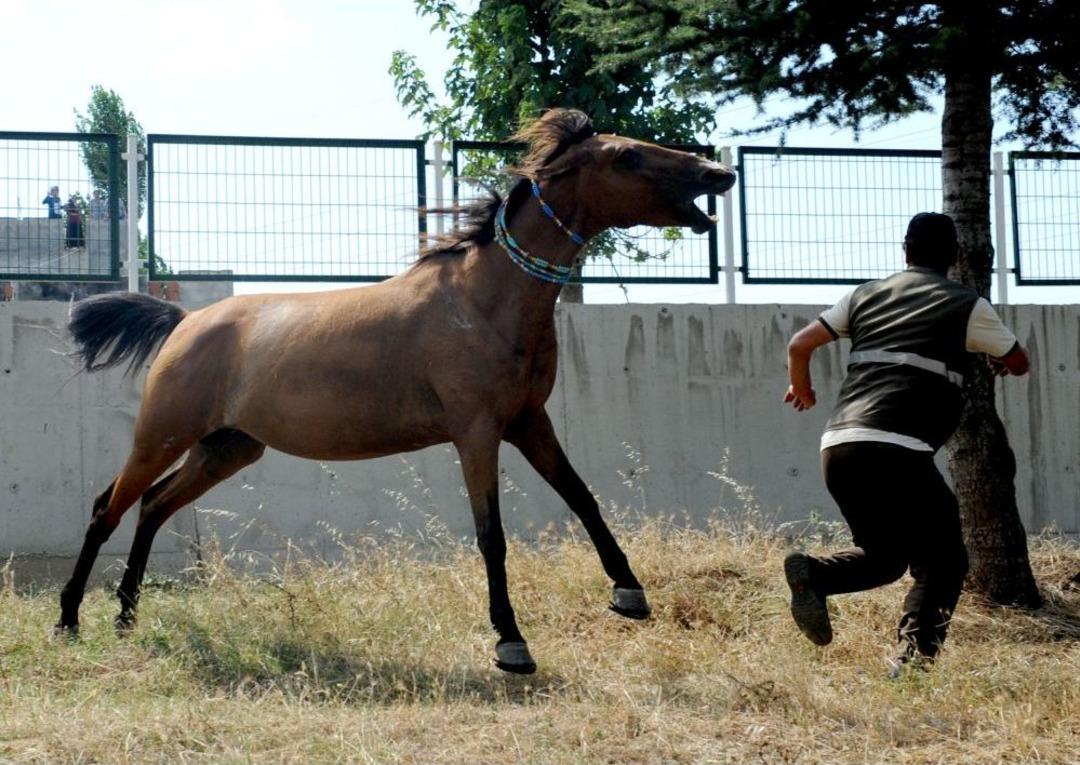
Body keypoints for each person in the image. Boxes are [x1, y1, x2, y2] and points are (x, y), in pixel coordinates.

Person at [781, 212, 1030, 676]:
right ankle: (914, 663)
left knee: (886, 559)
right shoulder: (966, 304)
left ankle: (814, 574)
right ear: (954, 255)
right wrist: (1000, 362)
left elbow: (800, 344)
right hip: (898, 449)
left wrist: (803, 388)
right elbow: (1018, 360)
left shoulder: (863, 295)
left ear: (905, 250)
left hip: (839, 447)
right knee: (946, 560)